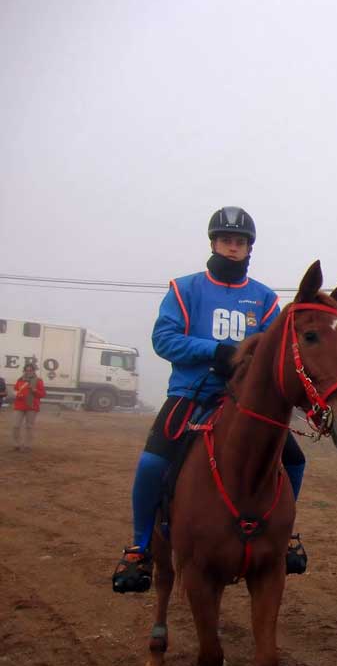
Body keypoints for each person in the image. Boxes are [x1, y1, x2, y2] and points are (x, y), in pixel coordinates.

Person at [112, 206, 311, 594]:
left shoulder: (264, 299)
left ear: (248, 248)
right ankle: (139, 547)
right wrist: (215, 351)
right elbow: (163, 339)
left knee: (294, 458)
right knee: (152, 462)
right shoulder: (185, 289)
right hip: (193, 393)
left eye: (239, 242)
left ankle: (284, 534)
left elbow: (275, 351)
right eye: (225, 240)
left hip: (246, 400)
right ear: (213, 243)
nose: (232, 248)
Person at [11, 363, 46, 452]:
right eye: (26, 370)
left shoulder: (38, 381)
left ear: (34, 371)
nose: (28, 372)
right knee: (15, 425)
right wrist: (17, 394)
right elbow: (15, 390)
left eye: (30, 370)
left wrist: (35, 390)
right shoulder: (20, 380)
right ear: (24, 370)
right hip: (19, 405)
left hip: (32, 406)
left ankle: (27, 445)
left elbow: (43, 394)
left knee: (29, 427)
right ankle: (17, 444)